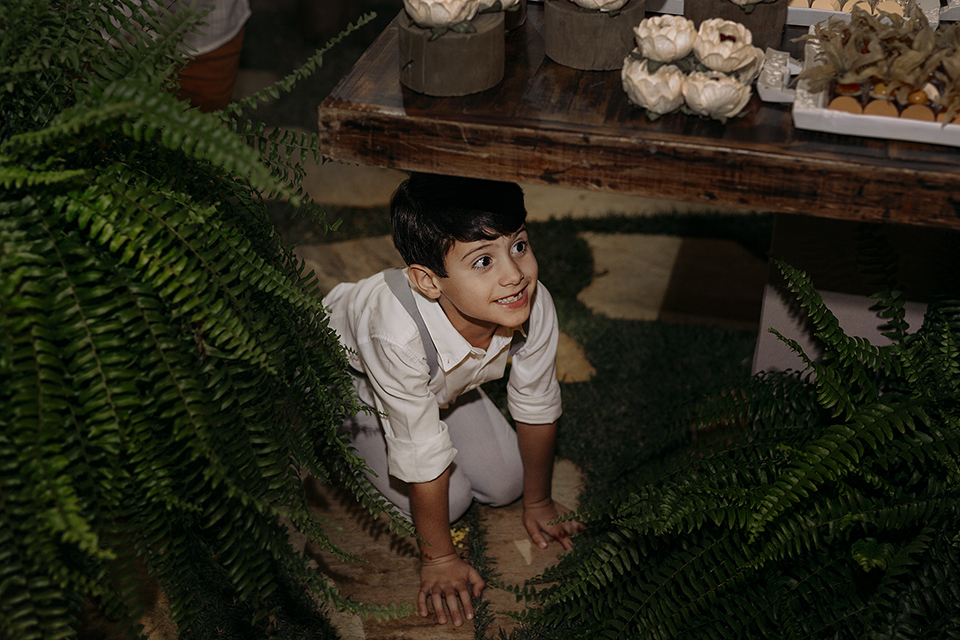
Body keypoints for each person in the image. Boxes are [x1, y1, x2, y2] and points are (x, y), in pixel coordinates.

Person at [324, 173, 583, 626]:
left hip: (442, 387)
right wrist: (439, 559)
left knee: (509, 484)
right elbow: (421, 455)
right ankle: (332, 434)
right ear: (428, 281)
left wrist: (539, 502)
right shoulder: (396, 334)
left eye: (518, 245)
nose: (515, 274)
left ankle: (442, 409)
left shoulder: (531, 302)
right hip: (349, 382)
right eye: (483, 261)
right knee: (453, 500)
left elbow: (537, 401)